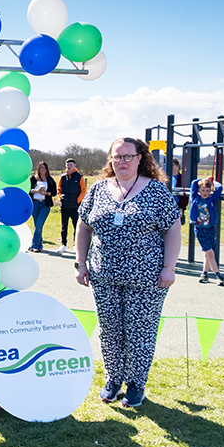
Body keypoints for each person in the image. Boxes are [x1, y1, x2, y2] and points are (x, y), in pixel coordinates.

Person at [74, 137, 180, 408]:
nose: (122, 161)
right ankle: (113, 380)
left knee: (140, 331)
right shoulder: (98, 190)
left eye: (128, 156)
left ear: (141, 158)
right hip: (103, 275)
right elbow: (84, 227)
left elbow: (173, 229)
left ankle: (136, 384)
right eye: (116, 157)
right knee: (109, 330)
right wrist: (81, 263)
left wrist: (169, 267)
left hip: (147, 279)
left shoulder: (157, 191)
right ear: (110, 160)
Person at [190, 177, 224, 285]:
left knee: (208, 253)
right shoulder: (195, 198)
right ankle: (218, 275)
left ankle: (204, 274)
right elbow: (193, 183)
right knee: (210, 253)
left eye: (207, 190)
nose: (205, 193)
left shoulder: (211, 199)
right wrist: (202, 179)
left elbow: (219, 188)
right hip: (200, 229)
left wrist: (213, 182)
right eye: (203, 190)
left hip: (210, 228)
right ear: (199, 190)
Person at [57, 158, 86, 253]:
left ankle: (75, 245)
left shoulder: (79, 177)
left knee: (76, 226)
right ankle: (63, 245)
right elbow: (59, 189)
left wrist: (78, 201)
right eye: (67, 165)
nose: (69, 166)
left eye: (70, 165)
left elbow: (83, 191)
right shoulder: (62, 177)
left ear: (74, 166)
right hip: (64, 206)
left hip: (75, 207)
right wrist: (61, 197)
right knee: (64, 226)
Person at [29, 161, 57, 252]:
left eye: (44, 167)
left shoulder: (50, 179)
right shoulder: (33, 178)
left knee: (39, 225)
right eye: (41, 167)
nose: (43, 169)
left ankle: (35, 246)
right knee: (37, 225)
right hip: (35, 204)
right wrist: (36, 191)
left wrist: (46, 193)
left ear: (47, 169)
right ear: (38, 169)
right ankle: (39, 244)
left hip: (45, 204)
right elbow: (28, 190)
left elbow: (54, 192)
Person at [170, 158, 188, 224]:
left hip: (177, 206)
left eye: (173, 165)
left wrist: (181, 208)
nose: (171, 167)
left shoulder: (181, 178)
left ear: (178, 166)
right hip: (168, 206)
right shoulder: (166, 178)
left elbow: (184, 195)